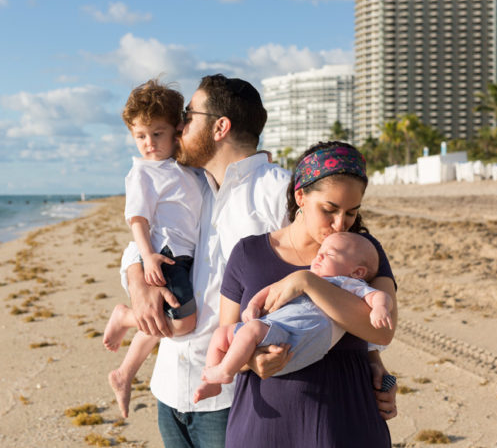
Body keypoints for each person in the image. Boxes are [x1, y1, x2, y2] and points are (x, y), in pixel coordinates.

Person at [122, 75, 398, 447]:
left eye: (189, 114)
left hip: (234, 397)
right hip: (170, 384)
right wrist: (137, 281)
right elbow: (151, 239)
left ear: (220, 127)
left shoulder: (278, 193)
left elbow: (339, 274)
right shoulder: (190, 182)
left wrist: (371, 361)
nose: (180, 125)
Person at [220, 142, 398, 447]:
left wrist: (307, 282)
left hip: (346, 424)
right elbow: (224, 337)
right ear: (300, 196)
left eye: (351, 213)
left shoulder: (362, 254)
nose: (340, 224)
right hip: (264, 426)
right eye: (329, 210)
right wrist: (250, 360)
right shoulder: (248, 253)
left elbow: (381, 331)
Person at [193, 231, 393, 403]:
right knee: (221, 334)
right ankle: (211, 381)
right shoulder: (306, 275)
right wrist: (253, 306)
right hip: (274, 328)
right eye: (320, 252)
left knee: (251, 330)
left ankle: (226, 372)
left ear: (357, 272)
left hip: (296, 338)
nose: (318, 257)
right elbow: (270, 290)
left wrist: (380, 309)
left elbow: (379, 296)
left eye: (329, 254)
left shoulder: (348, 284)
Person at [103, 79, 202, 418]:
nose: (148, 144)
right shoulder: (143, 173)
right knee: (182, 324)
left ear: (177, 129)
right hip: (165, 253)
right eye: (140, 136)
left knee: (164, 320)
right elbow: (138, 219)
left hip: (186, 255)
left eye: (156, 134)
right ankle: (125, 316)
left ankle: (124, 373)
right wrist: (146, 258)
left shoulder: (185, 168)